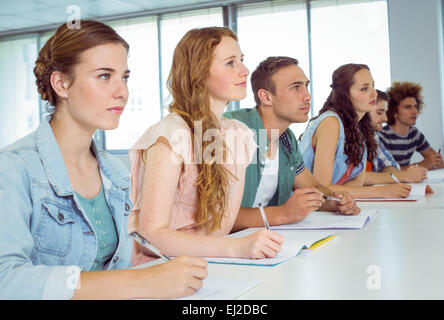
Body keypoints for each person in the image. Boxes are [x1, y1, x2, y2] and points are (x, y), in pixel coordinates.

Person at [0, 20, 208, 300]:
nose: (121, 92)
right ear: (61, 83)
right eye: (103, 76)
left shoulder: (113, 172)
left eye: (124, 77)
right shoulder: (13, 168)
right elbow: (6, 281)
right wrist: (141, 281)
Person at [128, 27, 284, 266]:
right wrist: (237, 247)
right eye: (230, 63)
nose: (244, 70)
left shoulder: (240, 135)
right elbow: (152, 234)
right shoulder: (170, 134)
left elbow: (222, 227)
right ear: (199, 73)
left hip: (212, 263)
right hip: (159, 268)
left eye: (241, 60)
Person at [223, 56, 360, 231]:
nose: (307, 96)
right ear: (266, 97)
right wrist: (283, 214)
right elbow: (216, 216)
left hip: (262, 244)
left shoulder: (286, 139)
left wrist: (335, 201)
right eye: (296, 87)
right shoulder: (232, 131)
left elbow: (314, 188)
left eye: (306, 86)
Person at [299, 63, 412, 199]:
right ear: (345, 95)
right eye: (364, 89)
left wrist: (341, 194)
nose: (374, 93)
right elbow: (321, 189)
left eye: (372, 86)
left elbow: (357, 182)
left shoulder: (359, 128)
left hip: (329, 208)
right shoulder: (331, 122)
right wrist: (382, 191)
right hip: (306, 210)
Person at [364, 89, 428, 185]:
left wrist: (392, 175)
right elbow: (356, 179)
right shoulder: (382, 134)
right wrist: (404, 175)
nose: (385, 118)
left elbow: (391, 165)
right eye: (379, 112)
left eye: (415, 107)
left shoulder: (373, 136)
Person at [378, 81, 444, 170]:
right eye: (408, 107)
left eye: (415, 106)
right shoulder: (382, 136)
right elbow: (385, 172)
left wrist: (434, 161)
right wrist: (421, 165)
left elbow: (440, 164)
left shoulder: (415, 134)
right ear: (394, 112)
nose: (415, 111)